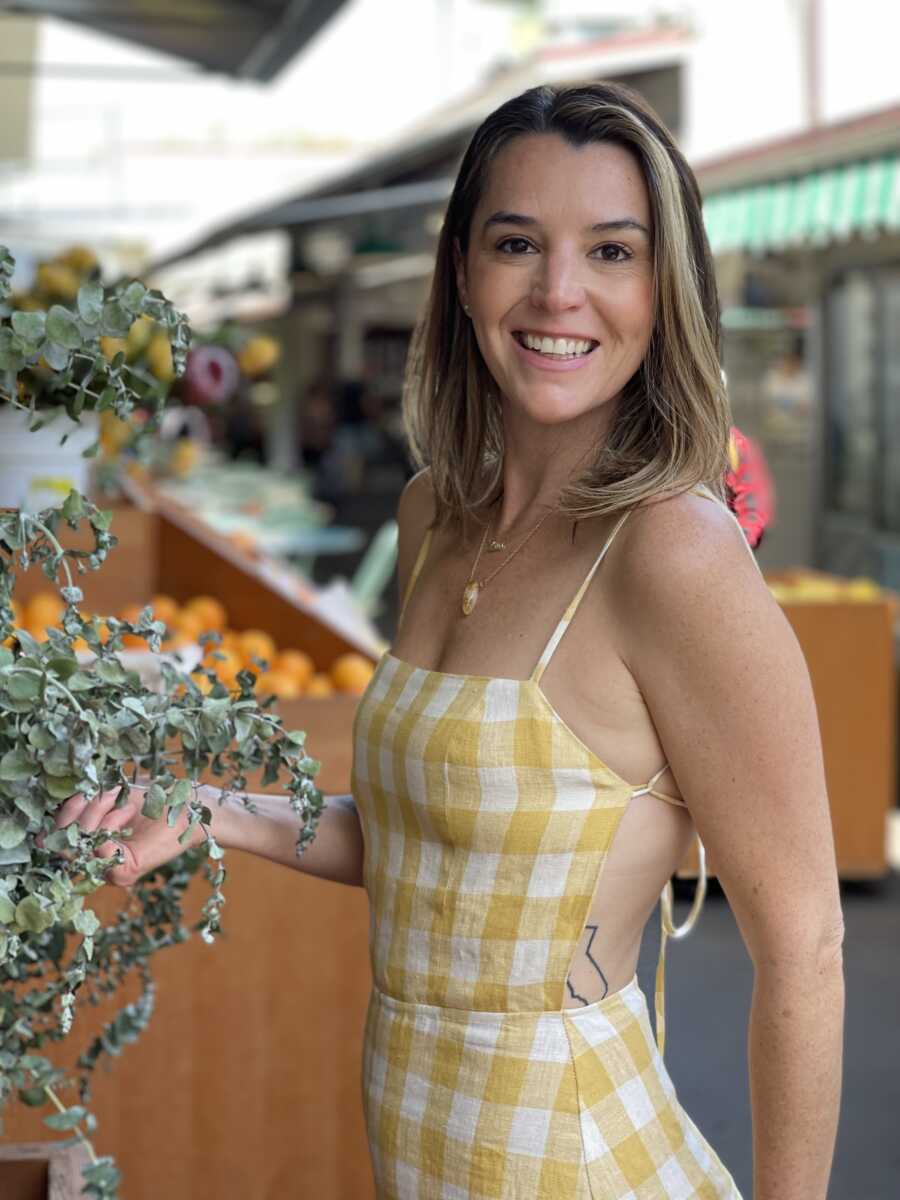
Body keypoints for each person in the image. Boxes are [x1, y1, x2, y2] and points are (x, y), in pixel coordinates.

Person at [53, 81, 844, 1199]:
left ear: (665, 290)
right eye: (519, 242)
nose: (559, 291)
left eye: (612, 252)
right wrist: (208, 812)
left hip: (581, 1162)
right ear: (463, 268)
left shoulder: (674, 553)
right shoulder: (436, 514)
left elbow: (807, 946)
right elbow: (432, 848)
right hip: (427, 1152)